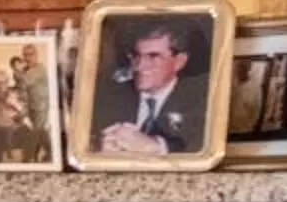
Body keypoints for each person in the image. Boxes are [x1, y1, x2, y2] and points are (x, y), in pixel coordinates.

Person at [89, 16, 210, 157]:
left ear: (179, 62)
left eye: (153, 56)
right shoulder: (106, 98)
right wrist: (100, 151)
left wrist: (156, 147)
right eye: (136, 55)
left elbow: (202, 148)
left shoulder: (202, 102)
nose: (140, 66)